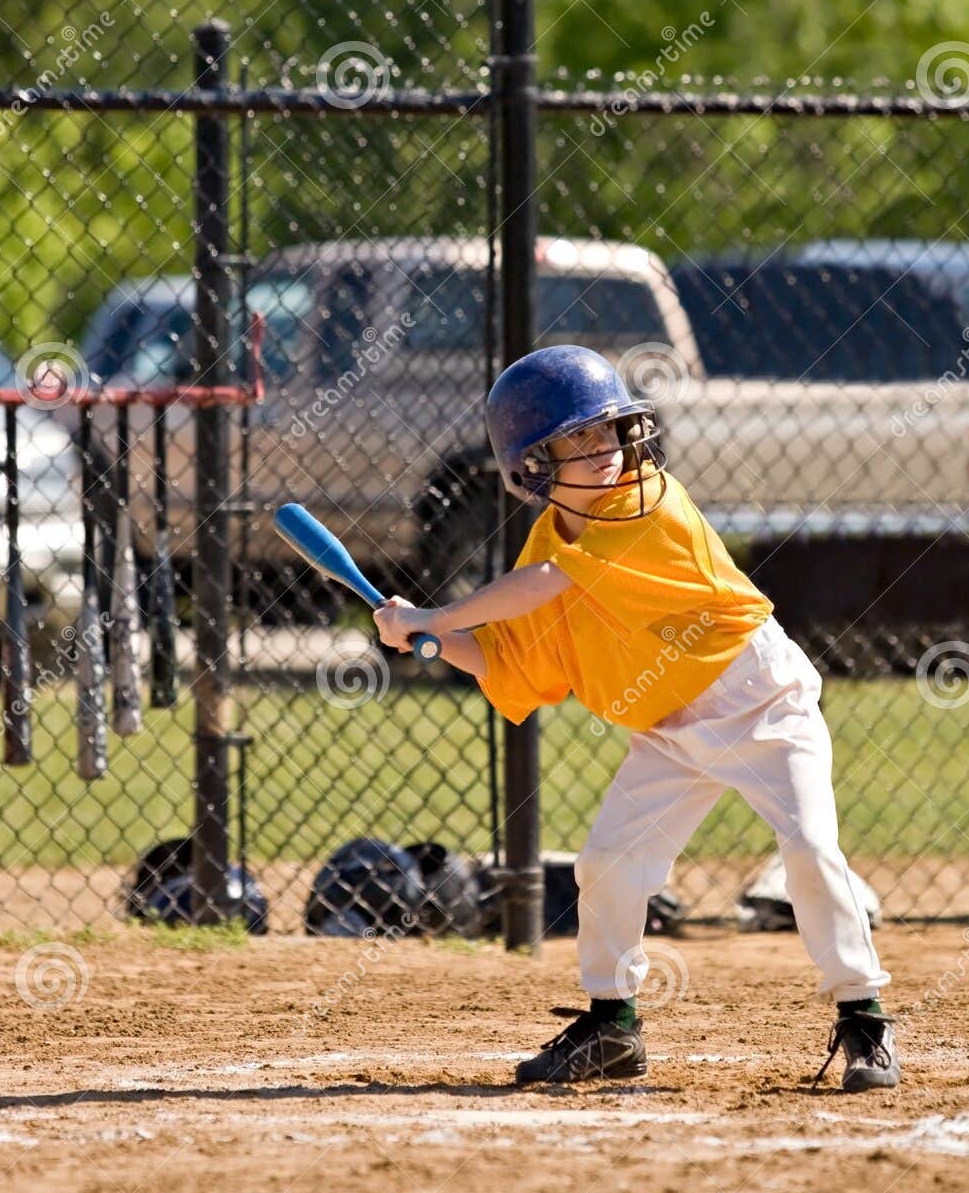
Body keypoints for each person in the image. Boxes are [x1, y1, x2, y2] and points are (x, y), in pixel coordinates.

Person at [373, 345, 900, 1092]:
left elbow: (542, 586)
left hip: (760, 702)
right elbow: (507, 660)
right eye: (577, 441)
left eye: (609, 432)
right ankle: (612, 1024)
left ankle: (864, 1018)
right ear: (533, 465)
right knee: (608, 865)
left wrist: (437, 612)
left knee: (809, 846)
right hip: (667, 731)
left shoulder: (649, 502)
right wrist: (428, 639)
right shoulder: (550, 540)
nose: (604, 452)